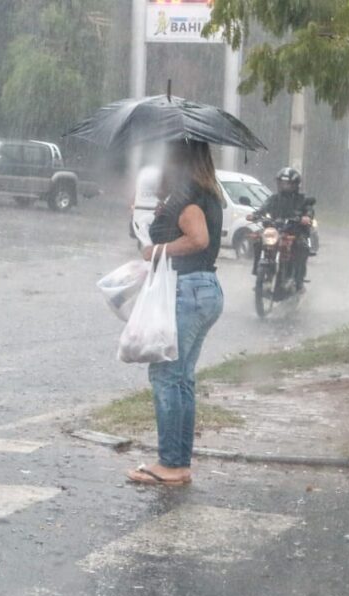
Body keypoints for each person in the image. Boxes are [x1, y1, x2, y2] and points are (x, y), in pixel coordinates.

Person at [127, 140, 225, 486]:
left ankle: (171, 463)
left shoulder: (188, 194)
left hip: (187, 289)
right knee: (181, 378)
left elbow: (198, 239)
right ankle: (178, 463)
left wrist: (156, 250)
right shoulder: (205, 192)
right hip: (203, 288)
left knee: (166, 376)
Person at [248, 167, 314, 292]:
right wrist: (255, 215)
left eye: (287, 183)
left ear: (295, 185)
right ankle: (260, 273)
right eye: (282, 183)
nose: (284, 186)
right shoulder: (274, 199)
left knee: (302, 246)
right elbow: (264, 208)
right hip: (276, 230)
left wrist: (306, 217)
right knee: (259, 240)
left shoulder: (302, 199)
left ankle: (298, 280)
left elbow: (309, 210)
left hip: (294, 231)